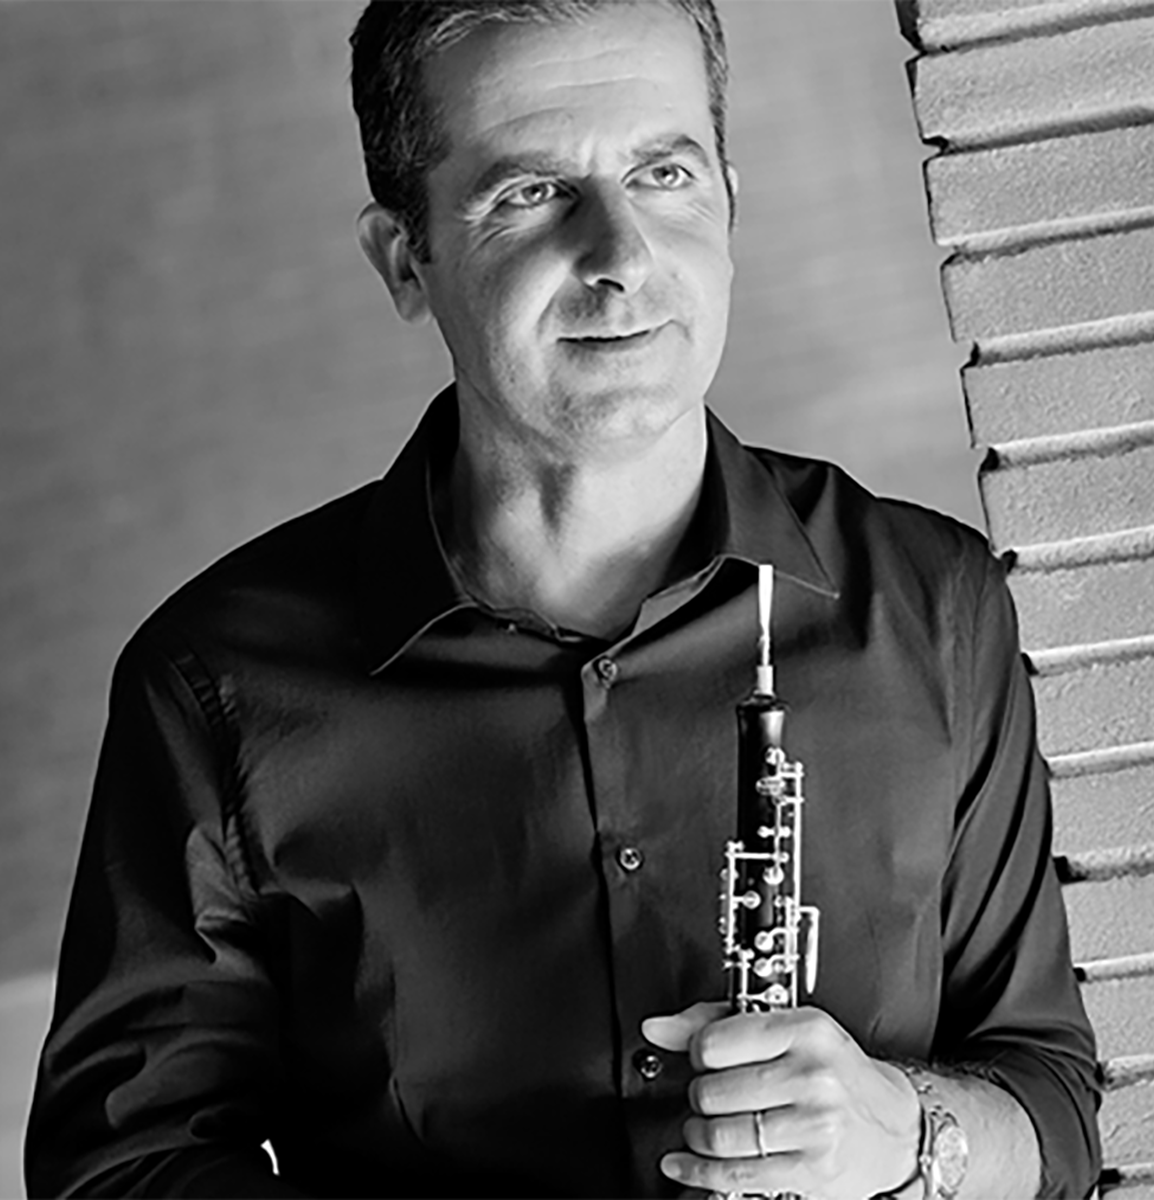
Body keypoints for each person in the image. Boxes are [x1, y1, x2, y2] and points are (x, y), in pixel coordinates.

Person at [26, 1, 1101, 1198]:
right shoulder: (216, 685)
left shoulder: (932, 605)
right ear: (404, 259)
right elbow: (122, 1170)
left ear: (728, 202)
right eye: (532, 193)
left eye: (663, 174)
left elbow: (1051, 1104)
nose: (621, 255)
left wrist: (906, 1133)